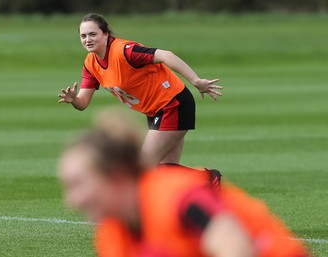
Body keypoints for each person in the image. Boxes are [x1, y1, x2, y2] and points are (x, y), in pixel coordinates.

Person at [58, 114, 309, 257]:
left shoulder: (175, 195)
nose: (73, 200)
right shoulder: (113, 234)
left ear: (118, 175)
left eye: (79, 184)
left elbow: (234, 246)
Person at [58, 13, 223, 166]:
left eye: (93, 34)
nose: (88, 39)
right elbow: (83, 102)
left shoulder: (125, 51)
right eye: (83, 36)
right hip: (156, 111)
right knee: (166, 171)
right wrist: (74, 100)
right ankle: (202, 186)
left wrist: (196, 81)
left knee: (142, 167)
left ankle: (210, 179)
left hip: (173, 104)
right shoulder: (91, 63)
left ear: (106, 34)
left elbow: (167, 55)